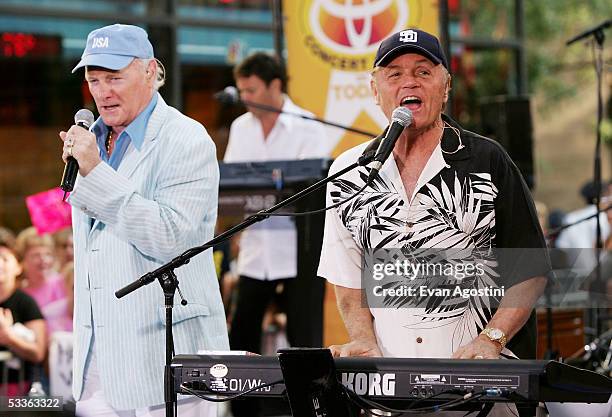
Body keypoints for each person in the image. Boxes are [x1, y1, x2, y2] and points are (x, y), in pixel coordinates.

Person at [318, 29, 548, 415]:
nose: (409, 81)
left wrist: (491, 339)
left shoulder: (486, 161)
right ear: (375, 90)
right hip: (390, 387)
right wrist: (362, 340)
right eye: (394, 73)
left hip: (483, 388)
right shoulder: (349, 171)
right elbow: (347, 280)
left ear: (445, 87)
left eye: (423, 71)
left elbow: (530, 269)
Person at [59, 24, 228, 416]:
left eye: (114, 78)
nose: (102, 91)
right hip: (98, 368)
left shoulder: (187, 139)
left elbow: (170, 237)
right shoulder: (90, 141)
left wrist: (95, 172)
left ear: (150, 71)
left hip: (167, 364)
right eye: (94, 79)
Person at [223, 51, 331, 417]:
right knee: (241, 336)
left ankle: (306, 410)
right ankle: (243, 411)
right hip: (257, 249)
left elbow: (310, 191)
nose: (245, 97)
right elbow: (236, 186)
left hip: (300, 250)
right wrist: (270, 184)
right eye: (241, 90)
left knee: (304, 344)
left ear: (275, 85)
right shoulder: (240, 128)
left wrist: (270, 186)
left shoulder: (309, 125)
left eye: (251, 89)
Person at [0, 244, 46, 396]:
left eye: (5, 259)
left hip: (16, 389)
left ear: (18, 267)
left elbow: (38, 353)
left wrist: (9, 338)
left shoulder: (26, 303)